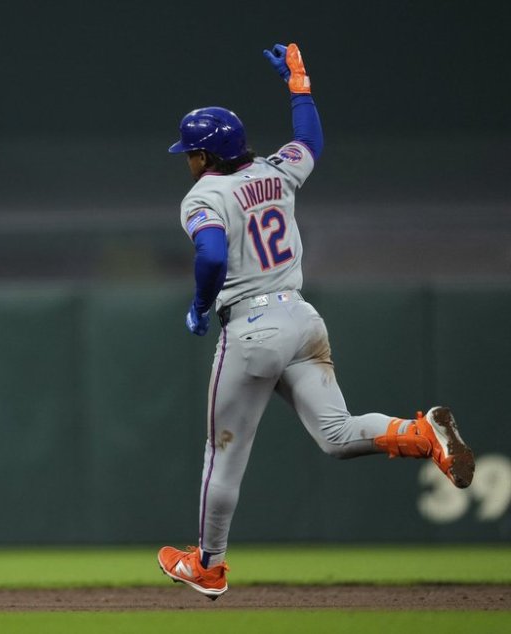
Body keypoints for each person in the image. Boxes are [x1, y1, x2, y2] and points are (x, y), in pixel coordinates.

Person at [155, 42, 475, 600]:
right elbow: (310, 142)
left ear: (205, 156)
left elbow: (209, 255)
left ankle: (208, 565)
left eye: (190, 152)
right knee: (336, 434)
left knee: (223, 454)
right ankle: (421, 435)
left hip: (250, 327)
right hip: (302, 320)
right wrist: (299, 86)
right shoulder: (275, 172)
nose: (187, 159)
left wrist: (201, 304)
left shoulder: (204, 193)